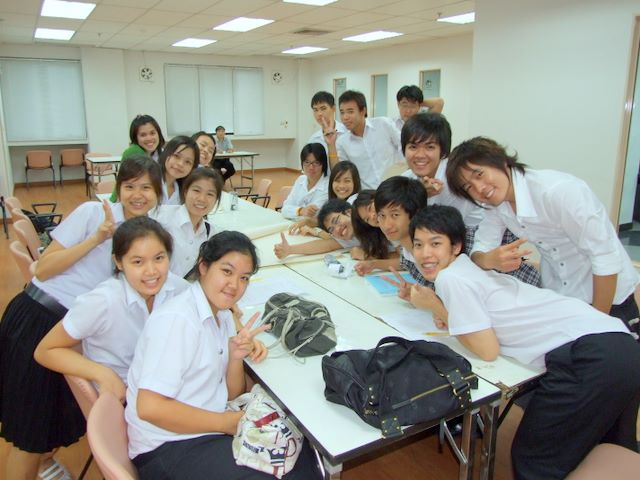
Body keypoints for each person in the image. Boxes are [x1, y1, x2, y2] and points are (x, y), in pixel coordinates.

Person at [408, 204, 640, 480]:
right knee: (613, 447)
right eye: (418, 245)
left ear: (456, 246)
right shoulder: (467, 267)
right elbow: (483, 319)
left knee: (534, 459)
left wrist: (434, 305)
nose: (425, 254)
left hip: (591, 357)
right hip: (621, 344)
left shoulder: (450, 277)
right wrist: (448, 312)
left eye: (435, 243)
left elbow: (487, 350)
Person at [0, 155, 162, 480]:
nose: (138, 195)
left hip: (73, 329)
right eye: (130, 186)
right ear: (119, 188)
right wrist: (96, 239)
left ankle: (44, 463)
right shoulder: (94, 213)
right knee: (27, 436)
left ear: (159, 193)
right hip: (40, 318)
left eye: (147, 187)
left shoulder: (143, 233)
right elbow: (42, 269)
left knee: (44, 422)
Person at [125, 231, 320, 479]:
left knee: (300, 455)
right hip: (166, 446)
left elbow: (231, 395)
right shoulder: (177, 320)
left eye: (244, 278)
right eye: (227, 271)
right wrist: (226, 423)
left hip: (204, 428)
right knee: (283, 471)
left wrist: (235, 357)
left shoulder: (223, 315)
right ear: (203, 266)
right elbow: (149, 408)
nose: (234, 285)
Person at [446, 136, 640, 332]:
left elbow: (605, 257)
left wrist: (598, 321)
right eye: (468, 187)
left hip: (607, 298)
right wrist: (489, 259)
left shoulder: (559, 191)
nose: (479, 188)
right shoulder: (496, 205)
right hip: (562, 296)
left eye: (479, 174)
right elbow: (480, 249)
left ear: (501, 161)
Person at [34, 217, 189, 402]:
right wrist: (102, 373)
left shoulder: (178, 289)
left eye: (159, 258)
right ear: (119, 262)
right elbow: (46, 350)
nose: (151, 271)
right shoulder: (103, 301)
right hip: (123, 399)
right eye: (138, 262)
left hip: (164, 389)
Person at [401, 113, 541, 288]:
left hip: (483, 240)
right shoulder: (406, 181)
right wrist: (420, 194)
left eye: (429, 147)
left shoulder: (455, 178)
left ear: (442, 151)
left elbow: (447, 229)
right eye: (413, 147)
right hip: (453, 247)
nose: (420, 155)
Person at [324, 90, 402, 189]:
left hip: (396, 188)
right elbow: (339, 172)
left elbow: (403, 145)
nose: (345, 117)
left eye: (350, 111)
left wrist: (403, 170)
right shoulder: (342, 142)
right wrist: (331, 145)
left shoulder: (383, 124)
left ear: (363, 111)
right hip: (368, 194)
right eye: (342, 112)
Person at [153, 168, 224, 278]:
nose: (202, 199)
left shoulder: (211, 233)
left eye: (210, 194)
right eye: (196, 191)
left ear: (216, 200)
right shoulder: (161, 217)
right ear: (185, 191)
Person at [288, 160, 361, 237]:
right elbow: (326, 220)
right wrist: (308, 221)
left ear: (355, 182)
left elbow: (341, 238)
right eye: (337, 181)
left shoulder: (355, 203)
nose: (341, 186)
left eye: (347, 181)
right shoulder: (332, 201)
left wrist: (316, 232)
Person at [274, 199, 361, 260]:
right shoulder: (347, 237)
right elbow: (326, 245)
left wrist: (367, 254)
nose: (338, 229)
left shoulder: (367, 219)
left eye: (336, 220)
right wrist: (290, 250)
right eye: (331, 229)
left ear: (349, 212)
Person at [281, 143, 329, 220]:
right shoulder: (301, 180)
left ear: (323, 164)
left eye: (316, 163)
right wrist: (300, 211)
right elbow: (285, 209)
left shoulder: (328, 185)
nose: (311, 167)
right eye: (307, 162)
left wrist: (294, 211)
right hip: (293, 223)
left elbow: (311, 216)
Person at [159, 136, 199, 205]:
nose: (180, 164)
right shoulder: (149, 181)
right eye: (176, 156)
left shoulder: (182, 192)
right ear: (166, 153)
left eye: (188, 162)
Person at [307, 91, 348, 156]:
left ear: (333, 108)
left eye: (323, 108)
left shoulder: (347, 132)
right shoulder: (313, 140)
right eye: (315, 110)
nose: (319, 114)